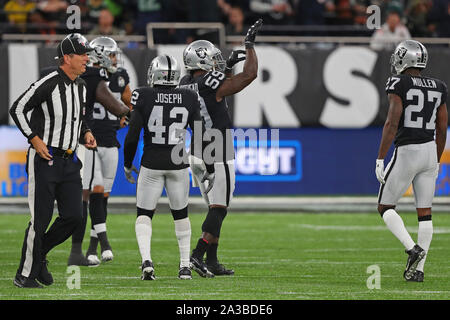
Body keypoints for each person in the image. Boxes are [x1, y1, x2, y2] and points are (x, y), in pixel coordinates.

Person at [9, 33, 97, 288]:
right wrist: (34, 138)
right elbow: (17, 108)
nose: (86, 58)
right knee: (40, 219)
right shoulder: (48, 82)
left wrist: (86, 133)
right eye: (82, 54)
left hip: (70, 161)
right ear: (67, 58)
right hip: (44, 160)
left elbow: (78, 119)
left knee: (74, 216)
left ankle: (39, 255)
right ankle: (24, 275)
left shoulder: (81, 85)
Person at [179, 19, 262, 277]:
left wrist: (226, 66)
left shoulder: (184, 83)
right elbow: (250, 75)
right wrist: (249, 46)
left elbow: (211, 86)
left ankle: (212, 260)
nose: (216, 63)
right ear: (202, 63)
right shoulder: (210, 84)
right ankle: (197, 255)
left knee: (215, 207)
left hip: (198, 149)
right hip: (218, 147)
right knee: (219, 208)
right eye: (212, 60)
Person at [123, 55, 215, 280]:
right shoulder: (189, 95)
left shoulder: (143, 95)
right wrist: (209, 167)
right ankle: (184, 266)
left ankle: (147, 262)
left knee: (144, 214)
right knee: (181, 214)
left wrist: (127, 163)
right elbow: (201, 134)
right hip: (177, 162)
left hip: (151, 162)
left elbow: (133, 135)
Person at [375, 40, 448, 282]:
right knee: (425, 214)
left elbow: (392, 122)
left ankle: (411, 248)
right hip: (429, 150)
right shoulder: (439, 85)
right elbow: (442, 126)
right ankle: (418, 270)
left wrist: (380, 157)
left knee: (385, 207)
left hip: (407, 150)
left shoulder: (399, 82)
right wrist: (436, 160)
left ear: (405, 59)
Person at [67, 37, 131, 267]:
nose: (115, 59)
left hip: (107, 139)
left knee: (100, 197)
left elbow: (127, 104)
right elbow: (119, 107)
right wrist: (129, 115)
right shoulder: (89, 76)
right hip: (90, 141)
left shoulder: (117, 77)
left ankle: (92, 248)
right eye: (112, 55)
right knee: (92, 193)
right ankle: (98, 245)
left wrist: (125, 117)